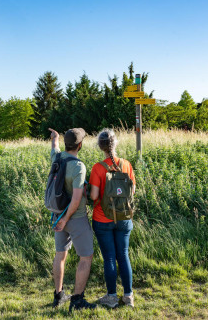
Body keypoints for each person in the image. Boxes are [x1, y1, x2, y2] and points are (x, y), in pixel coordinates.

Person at [48, 127, 96, 312]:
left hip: (57, 214)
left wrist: (55, 138)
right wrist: (65, 219)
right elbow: (76, 200)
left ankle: (58, 296)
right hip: (74, 218)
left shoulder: (57, 158)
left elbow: (54, 148)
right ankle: (77, 300)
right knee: (86, 257)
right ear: (80, 145)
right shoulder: (78, 166)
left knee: (60, 254)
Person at [89, 128, 136, 308]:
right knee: (123, 255)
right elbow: (132, 191)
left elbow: (94, 196)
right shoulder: (126, 164)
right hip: (124, 217)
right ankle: (128, 296)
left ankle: (111, 297)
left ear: (100, 147)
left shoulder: (98, 168)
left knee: (109, 257)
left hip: (103, 219)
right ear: (115, 144)